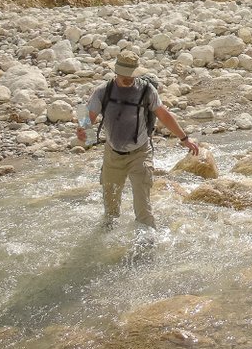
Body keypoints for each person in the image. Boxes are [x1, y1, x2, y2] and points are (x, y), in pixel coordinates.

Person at [77, 52, 199, 228]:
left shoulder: (147, 90)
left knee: (143, 209)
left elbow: (164, 115)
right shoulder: (103, 91)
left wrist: (184, 138)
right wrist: (82, 130)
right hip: (112, 155)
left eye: (131, 74)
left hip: (140, 153)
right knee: (110, 211)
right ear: (116, 72)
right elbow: (87, 117)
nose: (127, 78)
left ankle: (148, 244)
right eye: (123, 74)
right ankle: (106, 244)